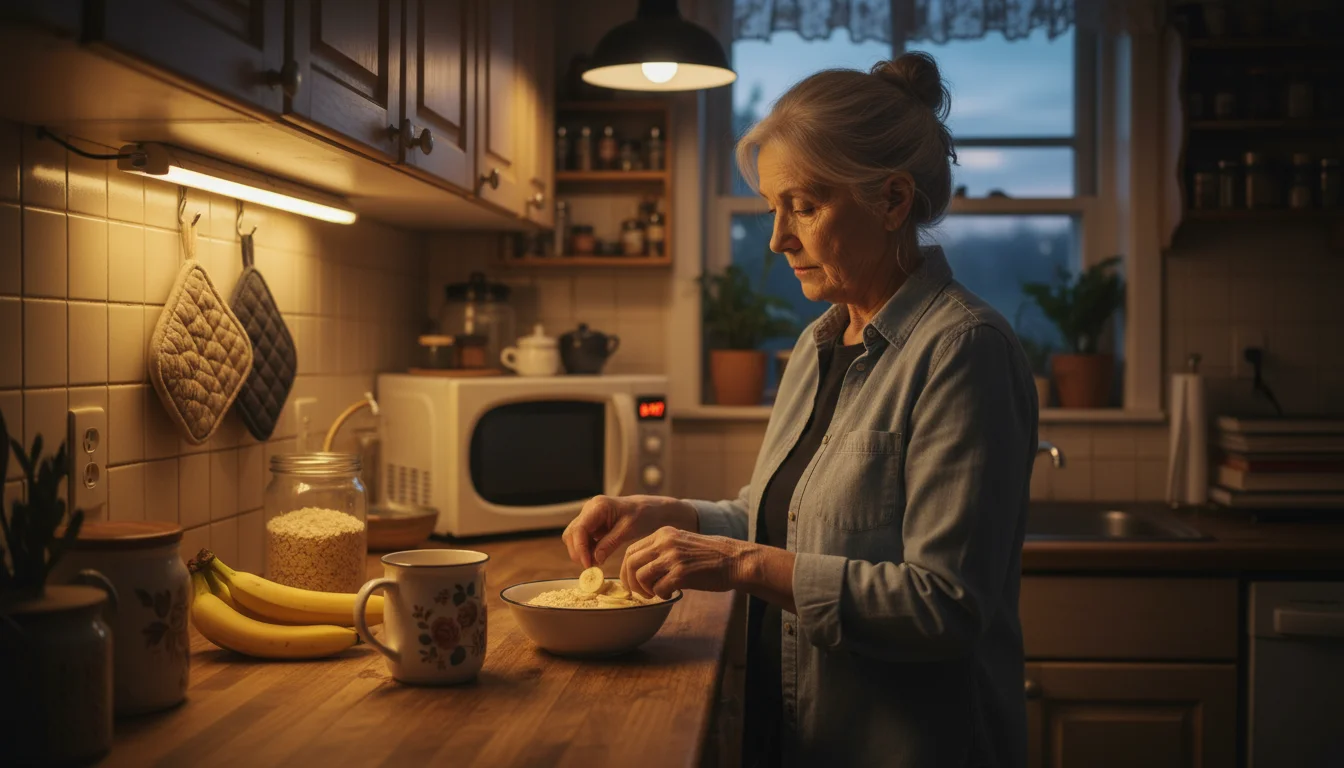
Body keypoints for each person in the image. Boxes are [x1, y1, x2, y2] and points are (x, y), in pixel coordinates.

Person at [562, 52, 1037, 768]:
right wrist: (672, 516)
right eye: (773, 208)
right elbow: (780, 518)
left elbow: (943, 607)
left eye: (804, 207)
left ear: (892, 201)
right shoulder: (819, 344)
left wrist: (738, 563)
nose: (780, 238)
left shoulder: (963, 351)